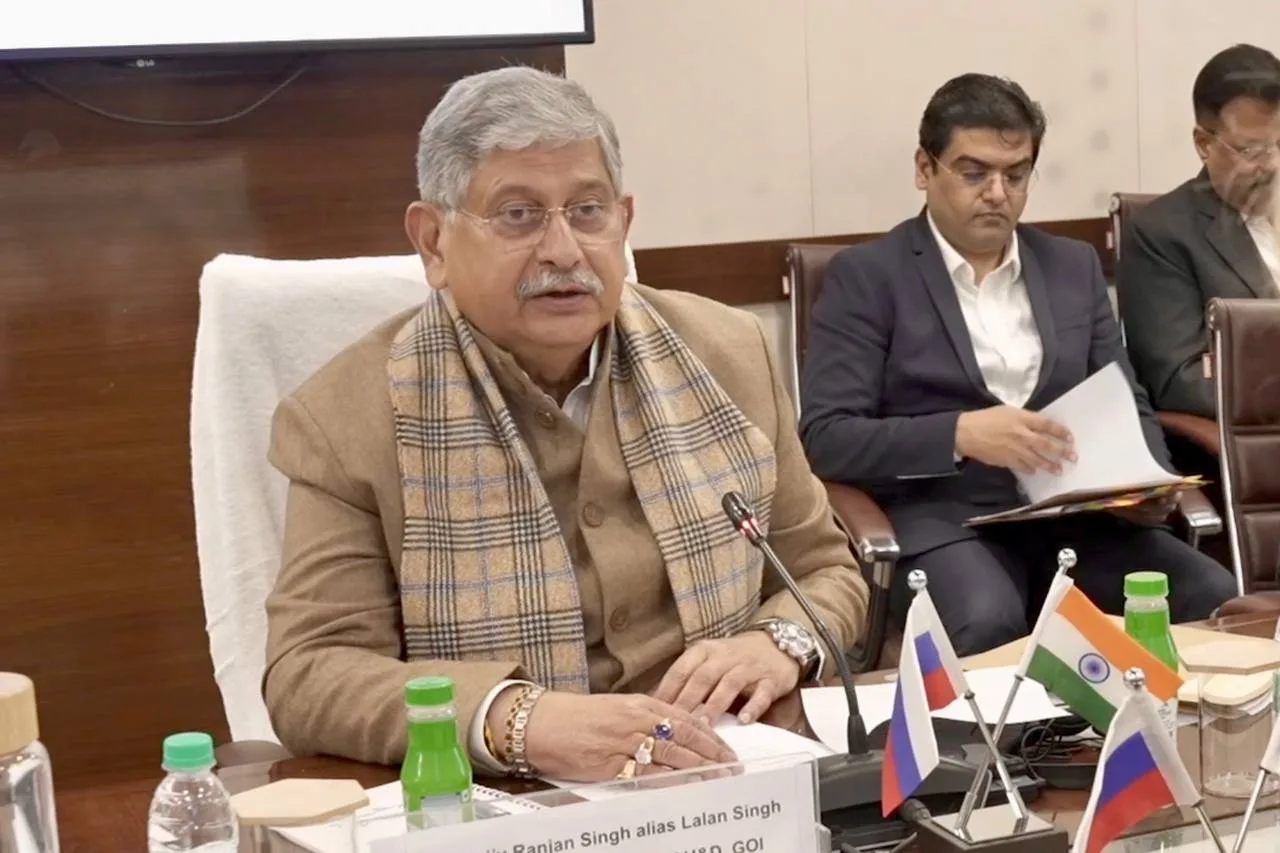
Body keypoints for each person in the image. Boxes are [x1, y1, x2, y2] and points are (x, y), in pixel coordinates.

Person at [262, 66, 868, 782]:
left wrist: (778, 642)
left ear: (624, 221)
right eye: (518, 214)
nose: (563, 250)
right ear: (433, 242)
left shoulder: (728, 353)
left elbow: (826, 569)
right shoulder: (344, 416)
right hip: (509, 798)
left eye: (587, 210)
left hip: (729, 772)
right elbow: (310, 672)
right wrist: (514, 719)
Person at [799, 73, 1236, 657]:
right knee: (988, 617)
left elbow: (1125, 396)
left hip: (1076, 519)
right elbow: (826, 438)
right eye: (973, 173)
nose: (997, 193)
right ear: (925, 169)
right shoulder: (869, 277)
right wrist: (960, 434)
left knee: (1209, 594)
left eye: (1016, 174)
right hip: (947, 522)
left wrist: (1147, 480)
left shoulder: (1070, 266)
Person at [1118, 43, 1280, 420]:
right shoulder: (1160, 233)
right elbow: (1182, 380)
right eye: (1253, 151)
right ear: (1204, 144)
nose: (1273, 164)